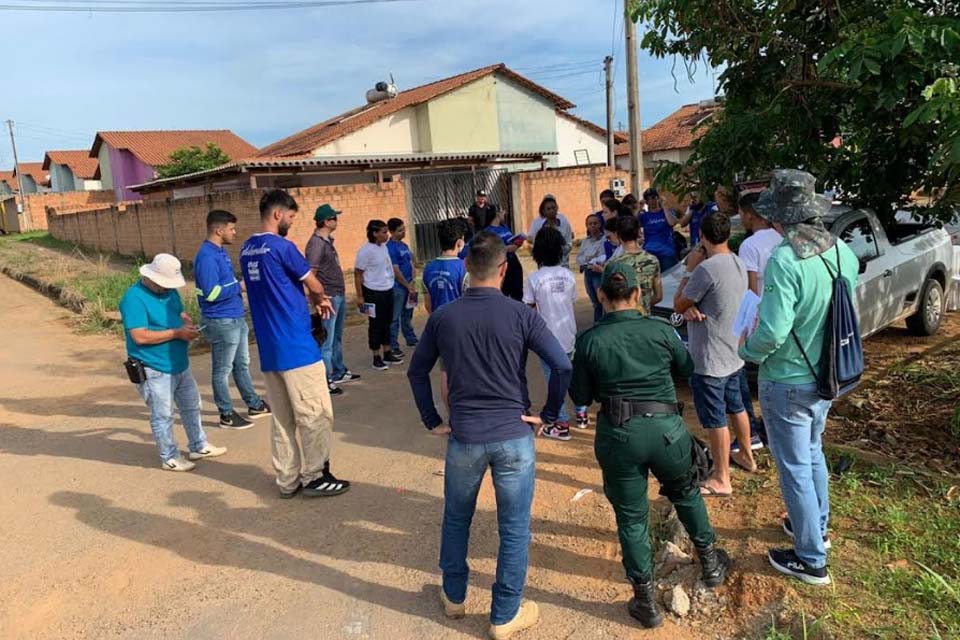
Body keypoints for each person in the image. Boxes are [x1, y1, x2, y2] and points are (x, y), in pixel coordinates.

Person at [407, 231, 573, 640]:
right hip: (514, 436)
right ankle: (504, 615)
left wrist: (432, 419)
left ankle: (455, 596)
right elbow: (562, 365)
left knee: (457, 517)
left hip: (464, 436)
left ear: (466, 267)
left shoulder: (443, 317)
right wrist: (549, 415)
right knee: (514, 528)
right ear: (504, 270)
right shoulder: (521, 315)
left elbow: (417, 370)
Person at [569, 261, 730, 628]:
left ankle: (645, 600)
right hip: (667, 431)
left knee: (631, 516)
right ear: (639, 294)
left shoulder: (590, 340)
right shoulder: (660, 330)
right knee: (686, 492)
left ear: (600, 295)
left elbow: (579, 394)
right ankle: (710, 562)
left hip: (618, 435)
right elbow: (687, 369)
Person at [739, 169, 858, 586]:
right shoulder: (842, 252)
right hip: (828, 375)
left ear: (779, 218)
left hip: (787, 380)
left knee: (793, 467)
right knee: (812, 453)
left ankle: (810, 559)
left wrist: (746, 351)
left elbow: (771, 331)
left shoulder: (785, 261)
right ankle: (816, 529)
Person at [240, 189, 348, 499]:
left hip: (271, 350)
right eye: (290, 216)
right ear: (277, 214)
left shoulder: (247, 248)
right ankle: (316, 475)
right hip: (297, 347)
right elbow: (311, 280)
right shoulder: (282, 247)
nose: (290, 222)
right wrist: (321, 298)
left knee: (283, 420)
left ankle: (287, 480)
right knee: (315, 413)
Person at [675, 212, 757, 497]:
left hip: (710, 358)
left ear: (702, 237)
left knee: (714, 419)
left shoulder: (705, 270)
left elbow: (678, 302)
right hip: (733, 351)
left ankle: (722, 478)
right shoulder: (737, 261)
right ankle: (746, 454)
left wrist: (689, 269)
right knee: (737, 407)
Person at [120, 253, 227, 472]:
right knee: (163, 414)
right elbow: (139, 336)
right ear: (151, 278)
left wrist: (187, 323)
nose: (168, 288)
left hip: (179, 362)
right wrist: (177, 333)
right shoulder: (133, 298)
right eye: (164, 284)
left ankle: (198, 445)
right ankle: (169, 456)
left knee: (191, 405)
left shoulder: (169, 293)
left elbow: (180, 312)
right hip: (153, 367)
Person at [193, 210, 270, 429]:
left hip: (235, 317)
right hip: (221, 320)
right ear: (218, 230)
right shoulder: (207, 256)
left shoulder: (220, 252)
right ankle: (226, 414)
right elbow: (211, 293)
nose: (234, 232)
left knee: (241, 364)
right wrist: (240, 286)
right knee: (222, 370)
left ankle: (254, 404)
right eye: (231, 228)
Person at [524, 226, 588, 435]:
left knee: (554, 379)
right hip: (568, 333)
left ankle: (561, 424)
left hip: (547, 338)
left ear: (537, 252)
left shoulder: (534, 279)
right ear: (561, 250)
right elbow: (571, 300)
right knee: (571, 374)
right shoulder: (568, 275)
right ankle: (581, 411)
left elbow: (529, 309)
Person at [732, 191, 781, 453]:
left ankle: (753, 432)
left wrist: (743, 326)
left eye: (741, 213)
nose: (740, 218)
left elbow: (750, 289)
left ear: (750, 214)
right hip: (782, 317)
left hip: (760, 318)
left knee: (751, 378)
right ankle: (773, 431)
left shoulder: (750, 245)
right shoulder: (782, 238)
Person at [304, 203, 361, 397]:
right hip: (328, 297)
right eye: (334, 218)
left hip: (337, 294)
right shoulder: (316, 244)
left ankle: (339, 370)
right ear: (326, 221)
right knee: (326, 341)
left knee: (336, 336)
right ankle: (324, 380)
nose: (337, 221)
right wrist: (317, 299)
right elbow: (311, 273)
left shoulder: (327, 241)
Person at [422, 219, 468, 408]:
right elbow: (469, 300)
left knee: (446, 372)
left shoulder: (428, 268)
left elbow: (427, 303)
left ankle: (451, 414)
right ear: (459, 242)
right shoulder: (464, 268)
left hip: (440, 325)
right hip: (461, 326)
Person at [354, 219, 402, 371]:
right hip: (373, 292)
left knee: (387, 322)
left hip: (387, 289)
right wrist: (360, 296)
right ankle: (376, 356)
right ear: (374, 233)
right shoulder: (365, 251)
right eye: (383, 232)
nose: (386, 235)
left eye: (387, 231)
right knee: (376, 325)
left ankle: (387, 352)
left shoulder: (383, 247)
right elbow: (357, 274)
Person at [461, 206, 525, 301]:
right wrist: (510, 247)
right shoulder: (487, 232)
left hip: (513, 263)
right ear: (497, 214)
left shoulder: (504, 227)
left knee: (517, 294)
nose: (504, 212)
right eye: (501, 211)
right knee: (503, 294)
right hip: (500, 264)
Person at [609, 215, 662, 316]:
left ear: (617, 235)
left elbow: (609, 300)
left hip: (622, 319)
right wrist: (643, 306)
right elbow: (658, 296)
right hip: (644, 317)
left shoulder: (613, 264)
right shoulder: (653, 260)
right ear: (638, 232)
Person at [387, 217, 419, 357]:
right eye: (400, 230)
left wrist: (412, 282)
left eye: (404, 229)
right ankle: (393, 344)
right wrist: (406, 285)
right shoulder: (390, 248)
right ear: (392, 232)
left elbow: (411, 263)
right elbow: (395, 270)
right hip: (398, 287)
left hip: (409, 285)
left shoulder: (404, 246)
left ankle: (410, 338)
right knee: (395, 317)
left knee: (408, 314)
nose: (403, 232)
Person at [527, 194, 574, 268]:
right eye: (548, 209)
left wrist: (559, 249)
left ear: (557, 208)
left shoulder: (564, 222)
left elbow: (569, 242)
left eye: (553, 208)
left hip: (562, 265)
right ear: (543, 211)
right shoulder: (539, 225)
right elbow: (534, 242)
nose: (552, 210)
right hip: (545, 266)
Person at [640, 188, 681, 271]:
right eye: (648, 199)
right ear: (646, 202)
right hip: (650, 252)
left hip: (666, 252)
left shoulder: (667, 212)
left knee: (667, 279)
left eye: (653, 198)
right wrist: (639, 207)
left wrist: (664, 206)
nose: (651, 201)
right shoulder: (644, 215)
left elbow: (672, 222)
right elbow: (632, 224)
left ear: (657, 198)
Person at [577, 213, 606, 322]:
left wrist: (589, 259)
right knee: (594, 301)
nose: (593, 226)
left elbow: (600, 257)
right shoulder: (585, 241)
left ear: (600, 224)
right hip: (587, 273)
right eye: (590, 224)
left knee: (601, 301)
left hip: (598, 273)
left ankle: (601, 323)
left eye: (595, 223)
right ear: (587, 226)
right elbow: (580, 257)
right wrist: (588, 260)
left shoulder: (603, 240)